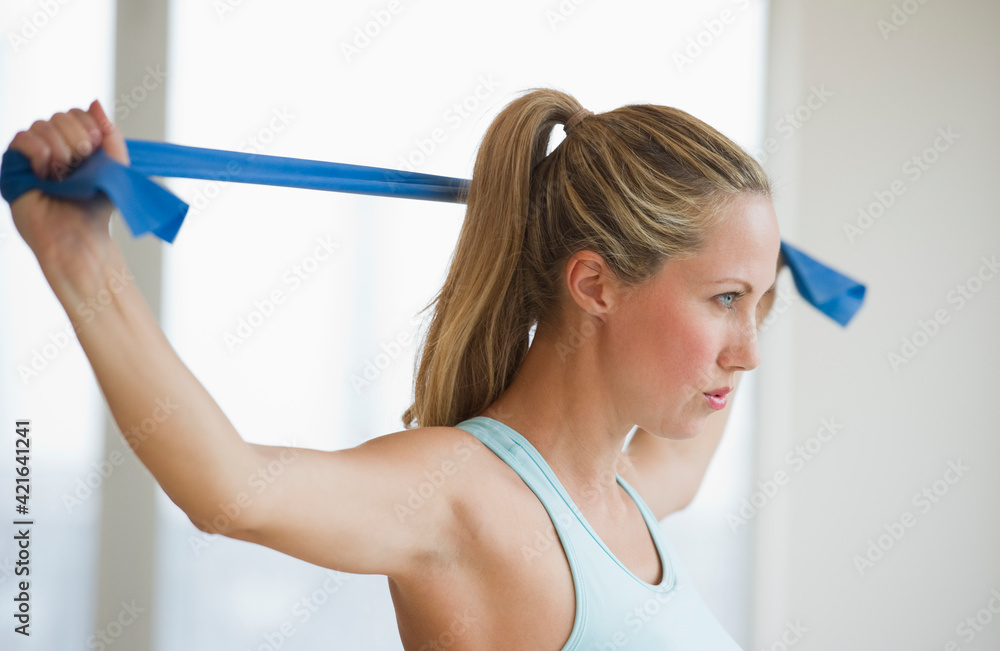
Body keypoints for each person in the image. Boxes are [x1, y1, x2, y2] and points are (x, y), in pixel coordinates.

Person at [7, 87, 781, 650]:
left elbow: (692, 442)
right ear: (595, 285)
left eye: (760, 307)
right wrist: (80, 259)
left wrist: (748, 266)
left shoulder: (628, 496)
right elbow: (229, 488)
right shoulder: (460, 495)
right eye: (725, 299)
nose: (748, 350)